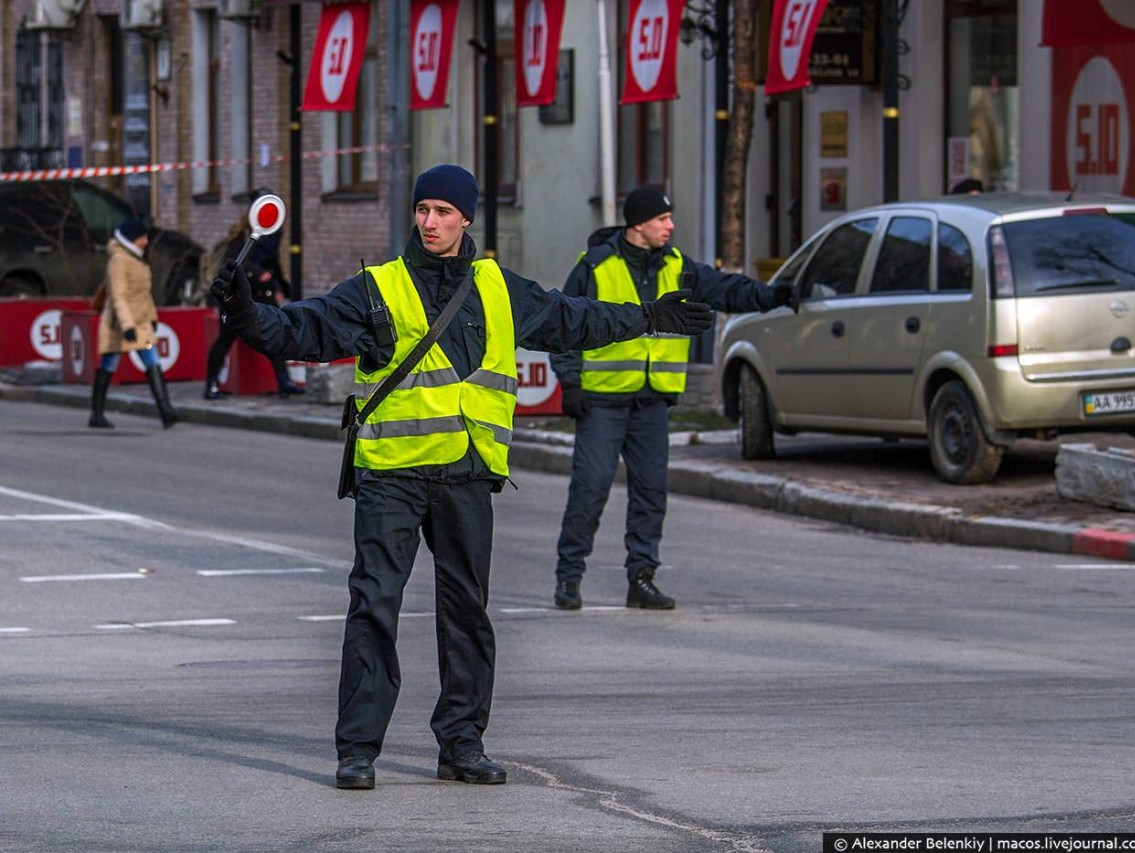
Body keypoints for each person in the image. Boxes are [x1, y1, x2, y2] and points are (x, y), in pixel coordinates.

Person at [208, 164, 712, 791]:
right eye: (423, 210)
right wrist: (246, 314)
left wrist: (648, 318)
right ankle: (358, 750)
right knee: (374, 607)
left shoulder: (500, 287)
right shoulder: (376, 288)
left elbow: (572, 318)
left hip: (467, 475)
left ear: (467, 217)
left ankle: (462, 744)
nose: (430, 222)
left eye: (444, 211)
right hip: (391, 475)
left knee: (466, 611)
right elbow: (303, 330)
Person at [549, 186, 794, 613]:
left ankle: (641, 580)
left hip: (653, 402)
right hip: (602, 401)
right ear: (638, 223)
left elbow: (729, 290)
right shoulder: (595, 266)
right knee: (590, 490)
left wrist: (774, 296)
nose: (670, 226)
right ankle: (569, 577)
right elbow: (567, 321)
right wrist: (569, 381)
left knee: (651, 493)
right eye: (662, 219)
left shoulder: (680, 267)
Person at [204, 189, 304, 399]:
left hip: (262, 292)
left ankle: (283, 381)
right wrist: (259, 273)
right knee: (225, 338)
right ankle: (211, 383)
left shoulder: (273, 233)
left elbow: (273, 263)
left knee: (277, 334)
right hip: (238, 293)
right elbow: (235, 262)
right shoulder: (242, 235)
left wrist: (281, 288)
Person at [88, 217, 179, 430]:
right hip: (119, 324)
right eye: (142, 238)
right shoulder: (119, 260)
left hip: (141, 322)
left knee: (153, 362)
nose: (146, 241)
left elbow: (144, 295)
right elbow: (118, 296)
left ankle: (166, 411)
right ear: (131, 239)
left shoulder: (138, 258)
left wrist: (153, 317)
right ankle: (97, 414)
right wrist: (127, 325)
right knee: (108, 365)